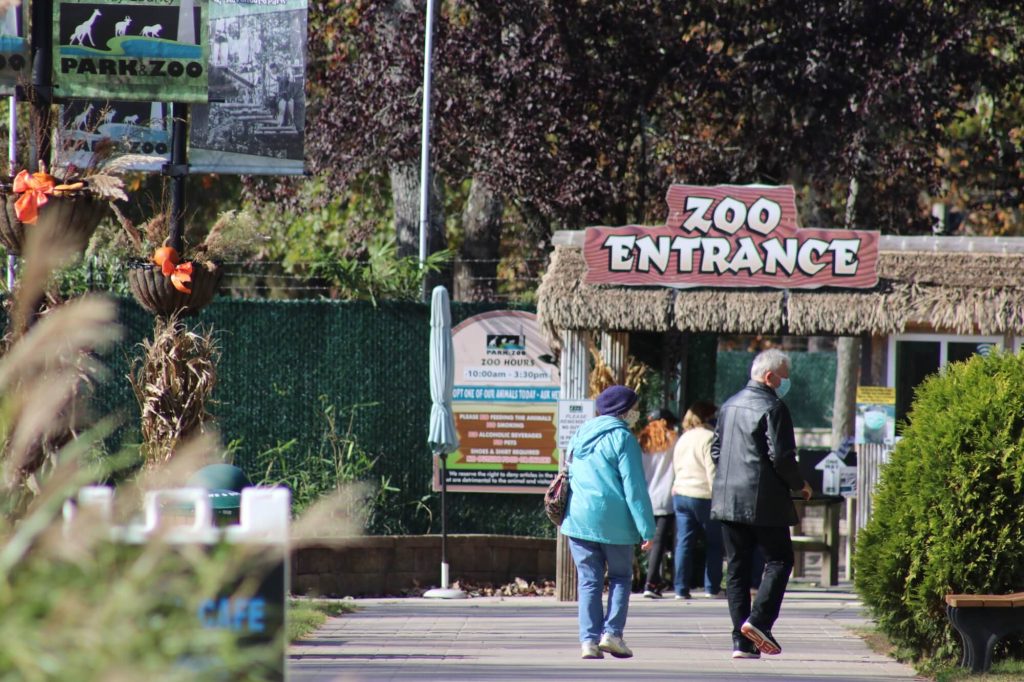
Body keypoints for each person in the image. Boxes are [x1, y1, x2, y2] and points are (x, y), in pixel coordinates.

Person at [711, 348, 812, 659]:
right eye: (785, 378)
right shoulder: (774, 407)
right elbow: (781, 458)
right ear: (770, 377)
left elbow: (716, 451)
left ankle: (741, 643)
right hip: (764, 501)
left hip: (727, 500)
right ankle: (759, 622)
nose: (786, 383)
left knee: (738, 570)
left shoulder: (728, 405)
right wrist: (800, 484)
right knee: (780, 560)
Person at [561, 385, 655, 660]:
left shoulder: (580, 433)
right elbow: (634, 487)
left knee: (588, 581)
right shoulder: (623, 438)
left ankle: (588, 642)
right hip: (614, 523)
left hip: (578, 518)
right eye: (634, 408)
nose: (636, 414)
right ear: (623, 412)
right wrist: (647, 529)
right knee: (620, 577)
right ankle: (612, 634)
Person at [671, 400, 723, 600]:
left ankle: (680, 589)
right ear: (708, 417)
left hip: (681, 493)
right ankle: (712, 587)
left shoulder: (683, 438)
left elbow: (676, 465)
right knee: (714, 543)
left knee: (684, 543)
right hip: (703, 495)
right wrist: (718, 496)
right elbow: (712, 469)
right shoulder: (709, 437)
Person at [638, 408, 678, 598]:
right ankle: (651, 581)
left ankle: (652, 579)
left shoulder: (641, 441)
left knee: (648, 542)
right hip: (664, 499)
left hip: (644, 498)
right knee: (659, 542)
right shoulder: (673, 439)